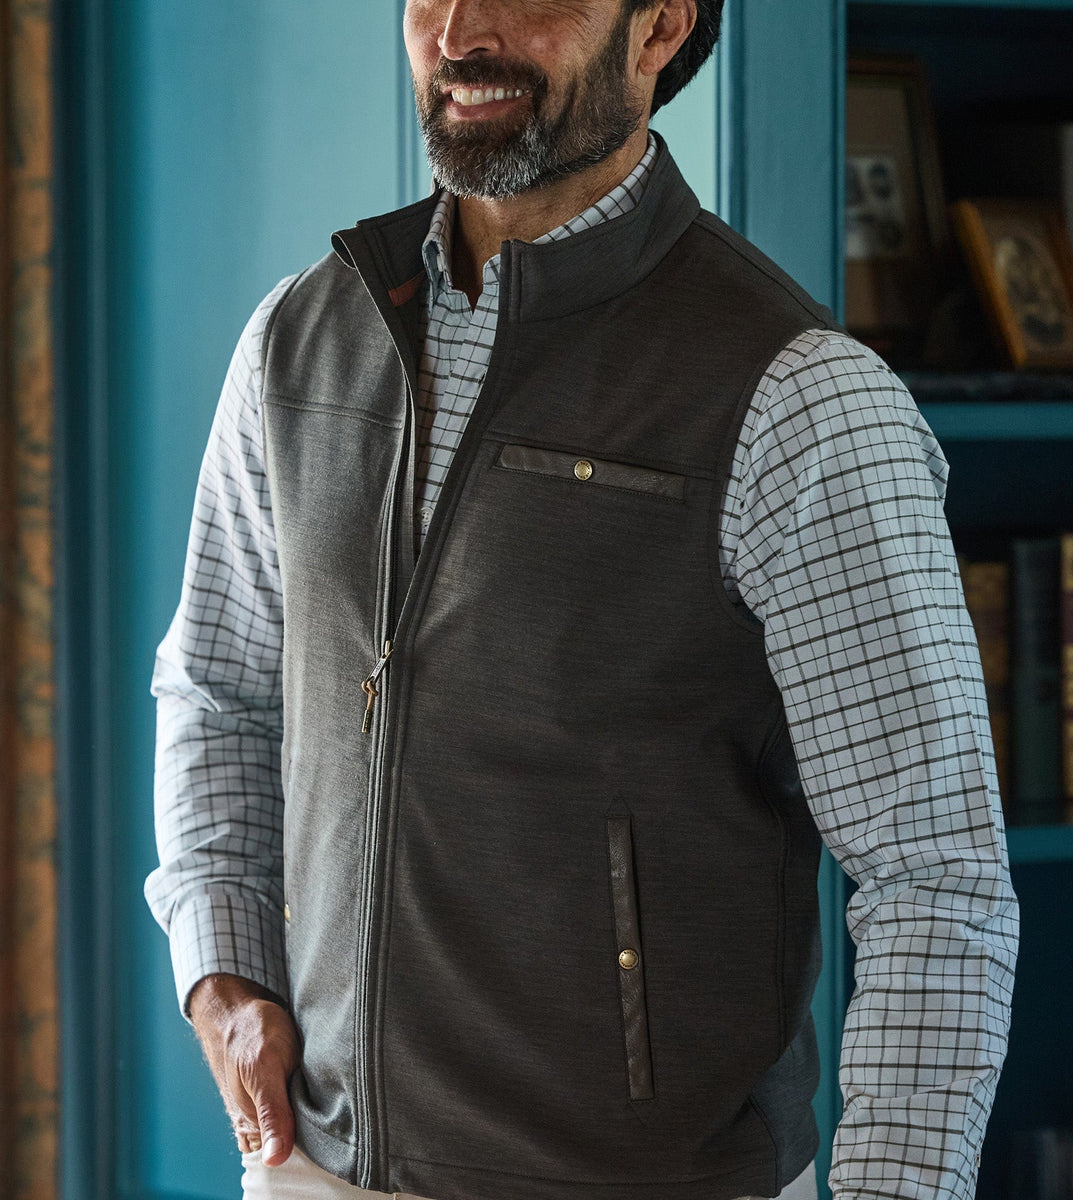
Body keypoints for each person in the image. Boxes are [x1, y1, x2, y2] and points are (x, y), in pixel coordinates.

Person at [146, 2, 1020, 1199]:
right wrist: (226, 977)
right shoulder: (298, 343)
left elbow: (934, 874)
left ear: (660, 24)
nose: (458, 30)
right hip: (313, 1172)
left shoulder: (802, 402)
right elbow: (219, 687)